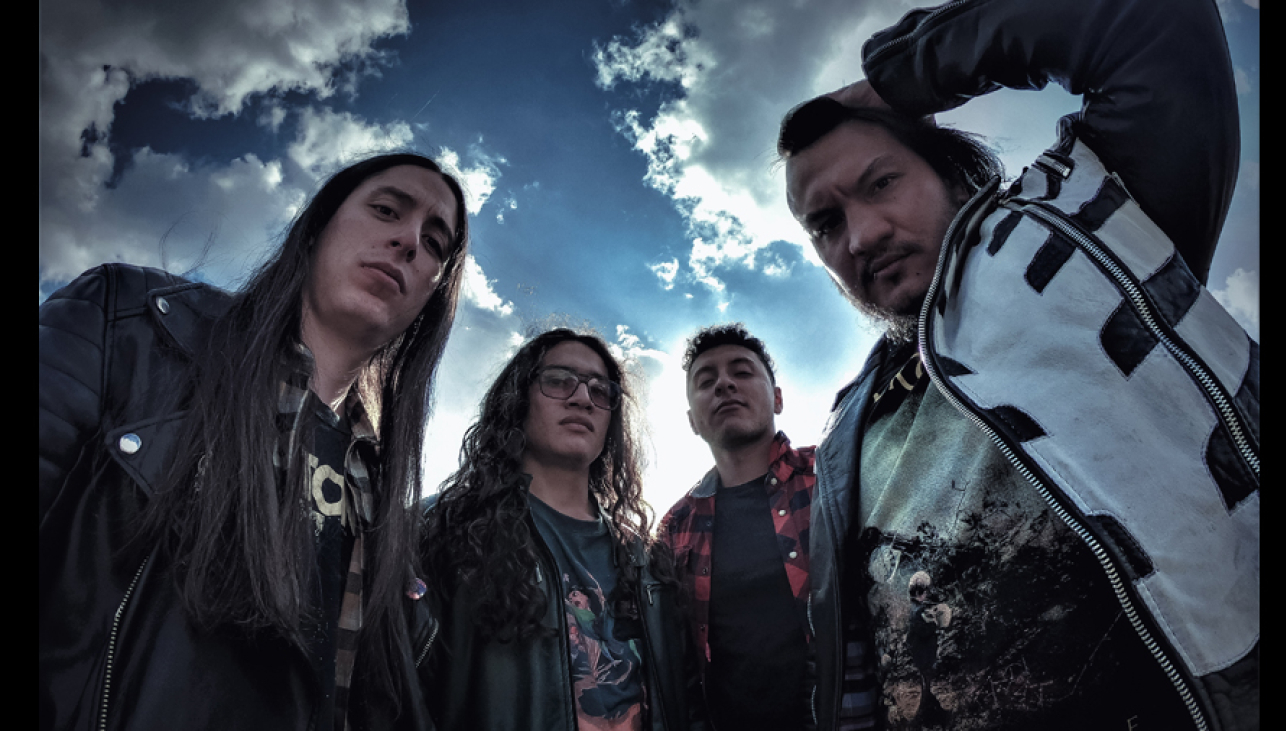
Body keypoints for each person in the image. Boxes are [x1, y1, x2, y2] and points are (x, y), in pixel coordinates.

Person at [777, 0, 1259, 729]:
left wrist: (897, 78)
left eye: (881, 184)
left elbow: (1154, 19)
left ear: (950, 173)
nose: (863, 235)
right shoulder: (850, 419)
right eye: (826, 223)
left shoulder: (1085, 235)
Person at [39, 152, 469, 730]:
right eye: (387, 210)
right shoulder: (129, 324)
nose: (410, 241)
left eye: (435, 244)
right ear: (317, 227)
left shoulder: (383, 496)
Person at [419, 327, 703, 731]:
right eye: (558, 381)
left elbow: (686, 699)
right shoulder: (444, 530)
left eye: (600, 390)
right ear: (518, 399)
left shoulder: (647, 561)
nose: (583, 398)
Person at [658, 323, 818, 730]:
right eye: (705, 381)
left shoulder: (834, 476)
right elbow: (680, 660)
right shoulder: (676, 527)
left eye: (742, 372)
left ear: (777, 398)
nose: (724, 384)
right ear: (692, 421)